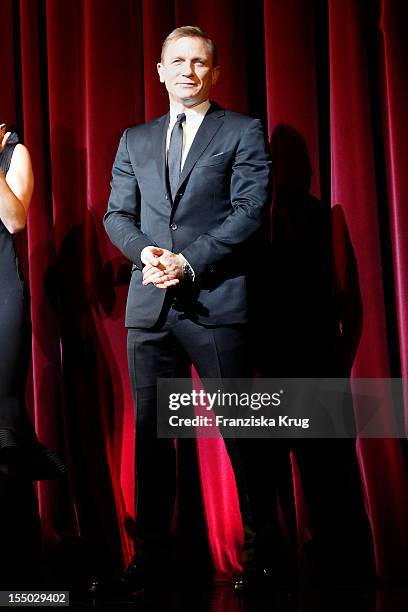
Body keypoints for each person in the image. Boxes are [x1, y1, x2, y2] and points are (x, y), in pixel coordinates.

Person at [103, 26, 272, 595]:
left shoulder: (242, 130)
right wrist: (146, 253)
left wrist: (187, 262)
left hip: (216, 302)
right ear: (159, 70)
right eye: (177, 61)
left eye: (200, 63)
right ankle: (151, 558)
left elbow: (250, 210)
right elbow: (116, 216)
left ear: (215, 74)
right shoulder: (135, 139)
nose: (188, 71)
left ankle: (263, 558)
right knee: (151, 438)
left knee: (242, 434)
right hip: (150, 306)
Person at [0, 122, 66, 588]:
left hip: (0, 295)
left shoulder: (12, 154)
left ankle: (19, 571)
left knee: (2, 426)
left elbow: (15, 220)